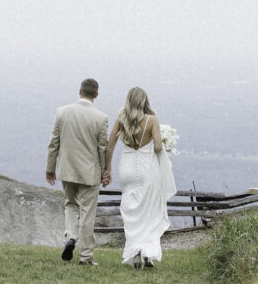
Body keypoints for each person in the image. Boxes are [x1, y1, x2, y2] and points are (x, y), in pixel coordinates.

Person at [103, 86, 174, 269]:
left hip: (126, 168)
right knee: (147, 212)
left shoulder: (121, 118)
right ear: (145, 101)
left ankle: (135, 253)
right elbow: (157, 147)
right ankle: (147, 254)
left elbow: (109, 146)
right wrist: (162, 144)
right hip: (145, 169)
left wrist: (107, 169)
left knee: (131, 211)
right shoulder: (152, 120)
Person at [45, 77, 109, 265]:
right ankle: (86, 257)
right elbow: (102, 149)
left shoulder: (62, 112)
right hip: (90, 172)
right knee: (88, 213)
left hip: (67, 169)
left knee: (70, 205)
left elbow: (53, 142)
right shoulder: (101, 118)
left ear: (79, 91)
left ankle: (71, 236)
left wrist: (50, 168)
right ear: (96, 94)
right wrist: (105, 172)